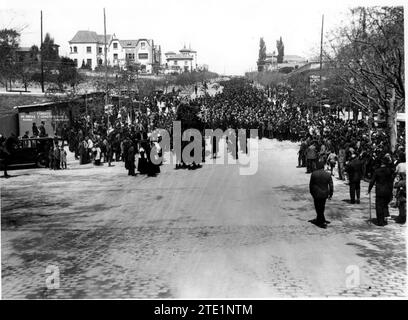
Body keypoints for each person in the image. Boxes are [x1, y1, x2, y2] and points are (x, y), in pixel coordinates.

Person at [368, 157, 394, 226]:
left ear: (381, 163)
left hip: (379, 190)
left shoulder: (377, 171)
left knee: (379, 206)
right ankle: (385, 220)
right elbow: (391, 182)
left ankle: (380, 221)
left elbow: (372, 181)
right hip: (387, 190)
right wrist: (391, 191)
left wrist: (369, 189)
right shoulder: (389, 171)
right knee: (385, 205)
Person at [309, 161, 334, 228]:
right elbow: (331, 185)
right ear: (323, 167)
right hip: (324, 194)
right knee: (322, 207)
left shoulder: (314, 174)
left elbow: (311, 185)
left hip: (316, 194)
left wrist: (312, 193)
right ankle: (319, 219)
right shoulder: (328, 174)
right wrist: (330, 194)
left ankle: (321, 221)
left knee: (317, 207)